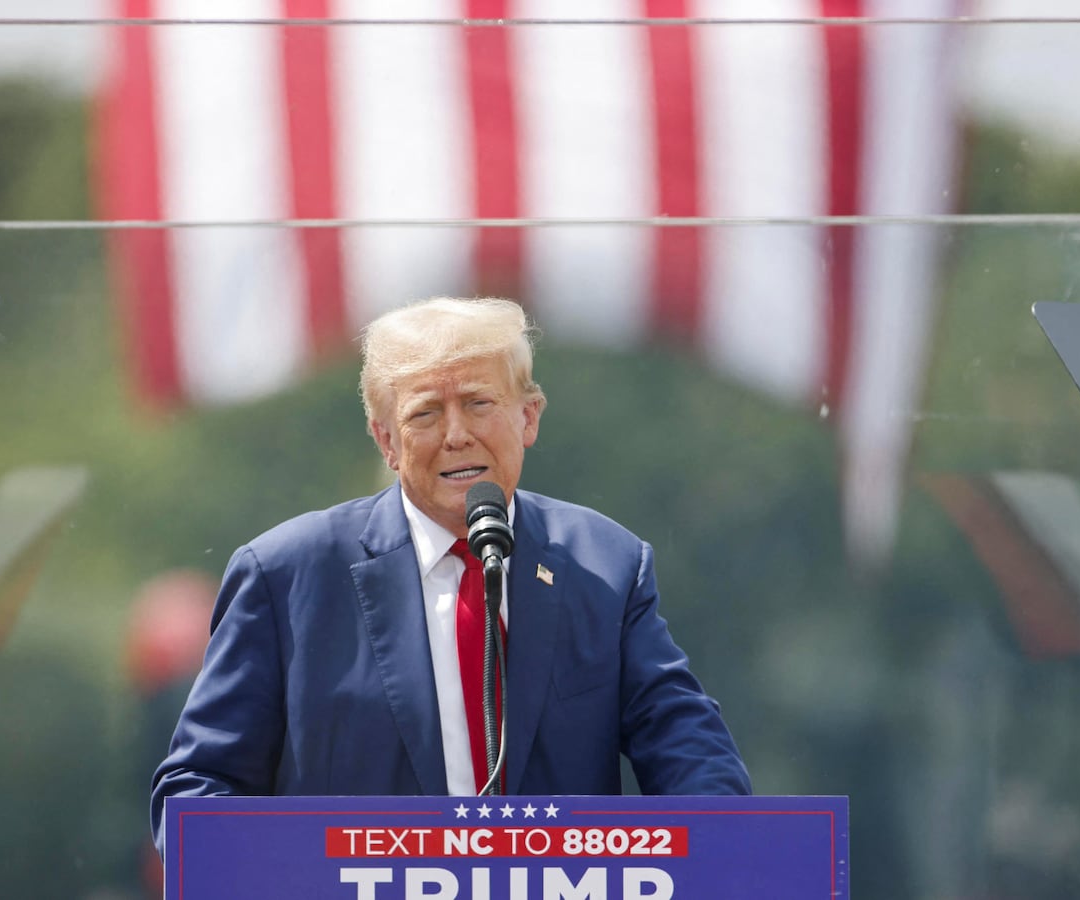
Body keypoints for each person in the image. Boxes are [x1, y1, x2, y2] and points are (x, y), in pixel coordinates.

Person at [150, 296, 749, 853]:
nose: (457, 433)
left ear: (529, 417)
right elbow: (199, 790)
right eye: (426, 413)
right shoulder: (286, 576)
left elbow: (686, 749)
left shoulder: (606, 564)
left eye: (479, 403)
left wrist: (733, 855)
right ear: (386, 439)